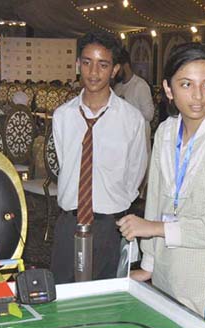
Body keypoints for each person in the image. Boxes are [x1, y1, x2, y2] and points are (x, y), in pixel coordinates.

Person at [117, 43, 205, 315]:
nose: (198, 96)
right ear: (168, 89)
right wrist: (149, 265)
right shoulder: (165, 131)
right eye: (186, 84)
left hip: (203, 283)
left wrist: (154, 228)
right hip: (166, 275)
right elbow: (155, 201)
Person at [50, 31, 147, 283]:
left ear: (114, 69)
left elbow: (136, 173)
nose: (94, 72)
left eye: (103, 65)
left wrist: (112, 209)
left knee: (106, 305)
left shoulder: (131, 119)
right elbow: (65, 162)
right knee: (63, 298)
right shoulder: (63, 116)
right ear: (77, 65)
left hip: (109, 226)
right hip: (69, 222)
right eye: (87, 62)